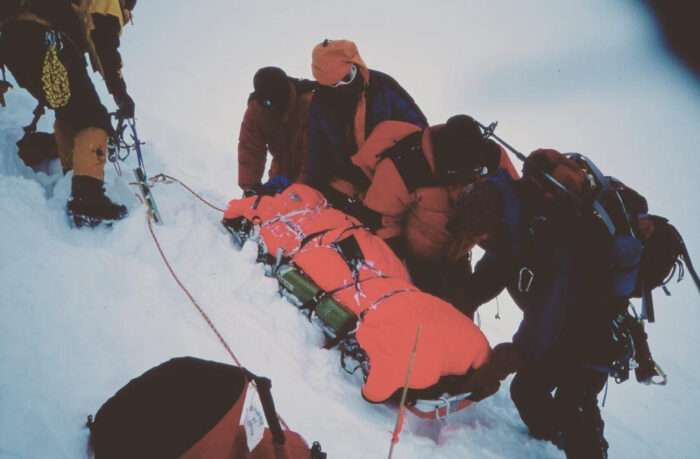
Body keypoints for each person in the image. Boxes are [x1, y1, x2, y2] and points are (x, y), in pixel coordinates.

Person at [451, 170, 625, 458]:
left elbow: (550, 312)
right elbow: (494, 271)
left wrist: (502, 363)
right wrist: (460, 302)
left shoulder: (558, 237)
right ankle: (556, 439)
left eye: (479, 236)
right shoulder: (512, 225)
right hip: (556, 325)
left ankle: (584, 448)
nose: (477, 242)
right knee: (527, 392)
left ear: (493, 225)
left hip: (594, 330)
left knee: (575, 406)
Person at [0, 0, 136, 227]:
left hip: (12, 44)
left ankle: (73, 177)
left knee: (71, 111)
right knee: (95, 119)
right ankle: (88, 199)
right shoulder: (109, 2)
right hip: (48, 40)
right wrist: (121, 94)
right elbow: (103, 40)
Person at [361, 115, 518, 311]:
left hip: (457, 258)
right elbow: (382, 219)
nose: (470, 178)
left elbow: (513, 207)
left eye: (477, 170)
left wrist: (475, 288)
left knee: (457, 317)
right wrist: (402, 271)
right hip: (412, 259)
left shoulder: (492, 159)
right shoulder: (407, 163)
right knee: (416, 314)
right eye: (461, 173)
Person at [306, 38, 427, 202]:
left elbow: (418, 129)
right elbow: (317, 152)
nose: (343, 86)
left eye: (347, 77)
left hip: (392, 183)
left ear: (356, 64)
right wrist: (314, 192)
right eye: (334, 84)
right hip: (348, 188)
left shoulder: (383, 87)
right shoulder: (321, 103)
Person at [237, 66, 317, 195]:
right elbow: (250, 148)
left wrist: (297, 193)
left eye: (273, 102)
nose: (271, 107)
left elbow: (314, 156)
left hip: (313, 177)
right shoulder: (257, 109)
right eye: (266, 103)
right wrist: (251, 187)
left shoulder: (309, 104)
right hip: (280, 172)